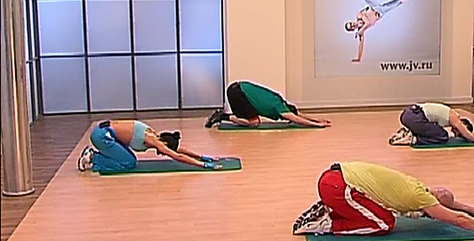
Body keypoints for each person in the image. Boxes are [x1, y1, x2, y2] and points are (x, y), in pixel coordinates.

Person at [292, 161, 474, 238]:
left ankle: (330, 210)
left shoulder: (417, 186)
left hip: (333, 178)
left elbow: (453, 204)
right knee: (384, 224)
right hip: (338, 187)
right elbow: (457, 218)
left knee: (380, 213)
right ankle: (328, 224)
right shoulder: (420, 198)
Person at [341, 0, 422, 63]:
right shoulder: (361, 31)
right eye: (351, 27)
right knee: (398, 2)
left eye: (351, 23)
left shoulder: (359, 16)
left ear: (351, 21)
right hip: (381, 12)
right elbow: (361, 44)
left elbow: (367, 22)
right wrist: (359, 58)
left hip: (374, 6)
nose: (353, 25)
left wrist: (362, 29)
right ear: (352, 30)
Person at [77, 120, 217, 173]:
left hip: (103, 131)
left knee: (130, 159)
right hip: (102, 136)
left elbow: (177, 150)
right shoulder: (153, 140)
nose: (163, 154)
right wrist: (202, 165)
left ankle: (94, 155)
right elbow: (177, 156)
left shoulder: (153, 134)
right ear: (165, 143)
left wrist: (202, 156)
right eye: (165, 150)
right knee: (129, 163)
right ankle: (92, 157)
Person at [205, 81, 332, 129]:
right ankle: (222, 116)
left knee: (250, 119)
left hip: (238, 88)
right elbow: (297, 119)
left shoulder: (280, 101)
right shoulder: (279, 107)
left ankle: (223, 116)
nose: (287, 118)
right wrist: (317, 125)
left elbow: (298, 115)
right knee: (254, 122)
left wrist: (318, 119)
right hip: (238, 93)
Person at [389, 102, 474, 146]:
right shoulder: (455, 119)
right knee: (443, 136)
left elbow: (472, 134)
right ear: (464, 124)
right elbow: (473, 138)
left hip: (407, 114)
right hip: (415, 118)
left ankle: (407, 133)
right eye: (461, 132)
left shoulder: (451, 115)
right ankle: (412, 139)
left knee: (434, 130)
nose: (456, 134)